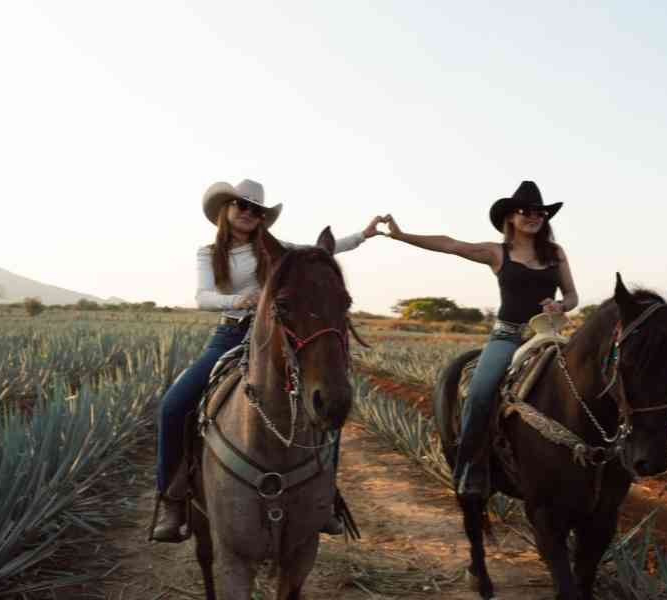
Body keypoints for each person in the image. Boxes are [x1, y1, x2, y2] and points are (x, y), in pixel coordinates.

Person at [152, 178, 384, 542]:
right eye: (241, 206)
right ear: (226, 210)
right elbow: (203, 296)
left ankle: (325, 496)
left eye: (256, 210)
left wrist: (364, 235)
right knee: (173, 405)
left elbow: (325, 250)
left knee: (328, 402)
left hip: (279, 336)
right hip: (231, 333)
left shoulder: (277, 249)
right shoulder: (208, 253)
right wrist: (238, 301)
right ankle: (171, 499)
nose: (248, 213)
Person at [384, 181, 578, 498]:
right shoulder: (497, 252)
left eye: (540, 212)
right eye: (526, 211)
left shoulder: (556, 254)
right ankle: (470, 470)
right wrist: (402, 235)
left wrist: (561, 305)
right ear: (510, 217)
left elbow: (572, 295)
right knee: (480, 393)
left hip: (548, 335)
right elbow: (450, 244)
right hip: (508, 337)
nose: (535, 216)